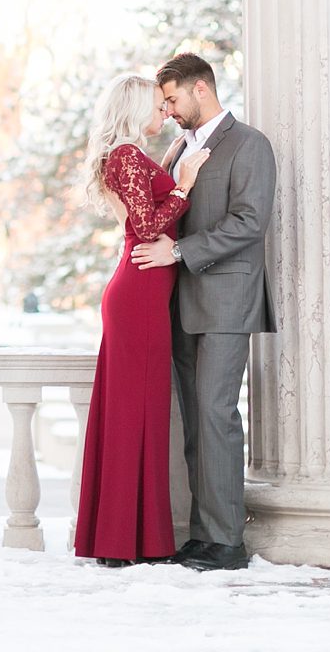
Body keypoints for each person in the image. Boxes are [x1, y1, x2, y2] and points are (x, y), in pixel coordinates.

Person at [129, 52, 276, 573]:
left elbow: (249, 222)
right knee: (195, 420)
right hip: (179, 303)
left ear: (200, 89)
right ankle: (204, 534)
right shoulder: (176, 149)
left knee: (216, 415)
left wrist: (180, 253)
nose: (166, 111)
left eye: (171, 99)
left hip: (226, 301)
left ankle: (226, 541)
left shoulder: (249, 144)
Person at [72, 73, 206, 566]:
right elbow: (147, 226)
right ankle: (123, 542)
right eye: (157, 105)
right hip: (139, 292)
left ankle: (128, 538)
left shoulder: (134, 155)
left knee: (140, 412)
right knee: (135, 413)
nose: (166, 112)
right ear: (133, 109)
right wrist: (184, 185)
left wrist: (171, 166)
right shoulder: (127, 156)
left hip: (143, 290)